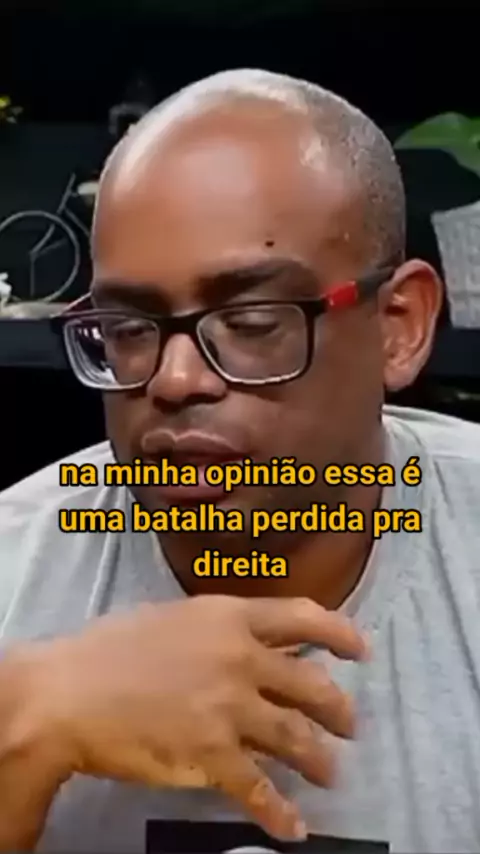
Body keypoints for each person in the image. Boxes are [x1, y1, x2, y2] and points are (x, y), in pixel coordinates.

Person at [0, 68, 479, 854]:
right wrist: (25, 726)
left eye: (253, 321)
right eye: (129, 327)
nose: (175, 379)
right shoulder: (15, 571)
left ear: (397, 325)